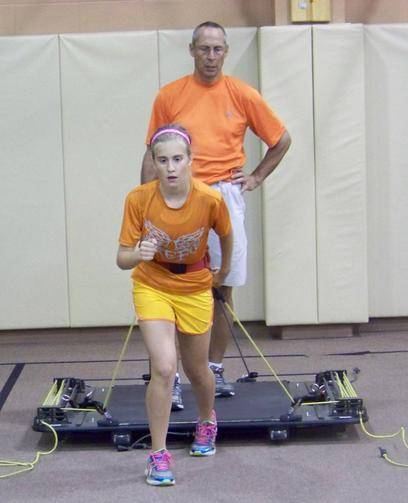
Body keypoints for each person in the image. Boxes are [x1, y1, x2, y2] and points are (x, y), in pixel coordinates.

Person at [141, 21, 291, 407]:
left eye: (217, 50)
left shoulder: (241, 94)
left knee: (222, 289)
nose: (210, 57)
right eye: (204, 49)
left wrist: (256, 176)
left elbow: (281, 139)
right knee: (173, 287)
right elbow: (151, 153)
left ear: (226, 52)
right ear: (192, 50)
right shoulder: (170, 95)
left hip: (225, 196)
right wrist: (146, 204)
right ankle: (171, 375)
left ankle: (214, 369)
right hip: (180, 197)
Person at [117, 124, 233, 486]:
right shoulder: (138, 199)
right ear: (153, 163)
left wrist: (222, 272)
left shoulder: (209, 199)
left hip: (195, 287)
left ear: (190, 161)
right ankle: (158, 455)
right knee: (165, 368)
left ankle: (206, 420)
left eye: (177, 160)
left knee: (198, 371)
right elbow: (122, 258)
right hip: (152, 285)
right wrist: (138, 252)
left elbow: (226, 237)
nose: (170, 167)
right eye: (163, 160)